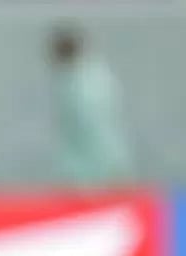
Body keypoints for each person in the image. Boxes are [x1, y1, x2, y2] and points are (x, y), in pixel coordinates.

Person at [49, 25, 133, 186]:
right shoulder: (97, 76)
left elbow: (92, 130)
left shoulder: (79, 85)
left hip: (94, 175)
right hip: (107, 166)